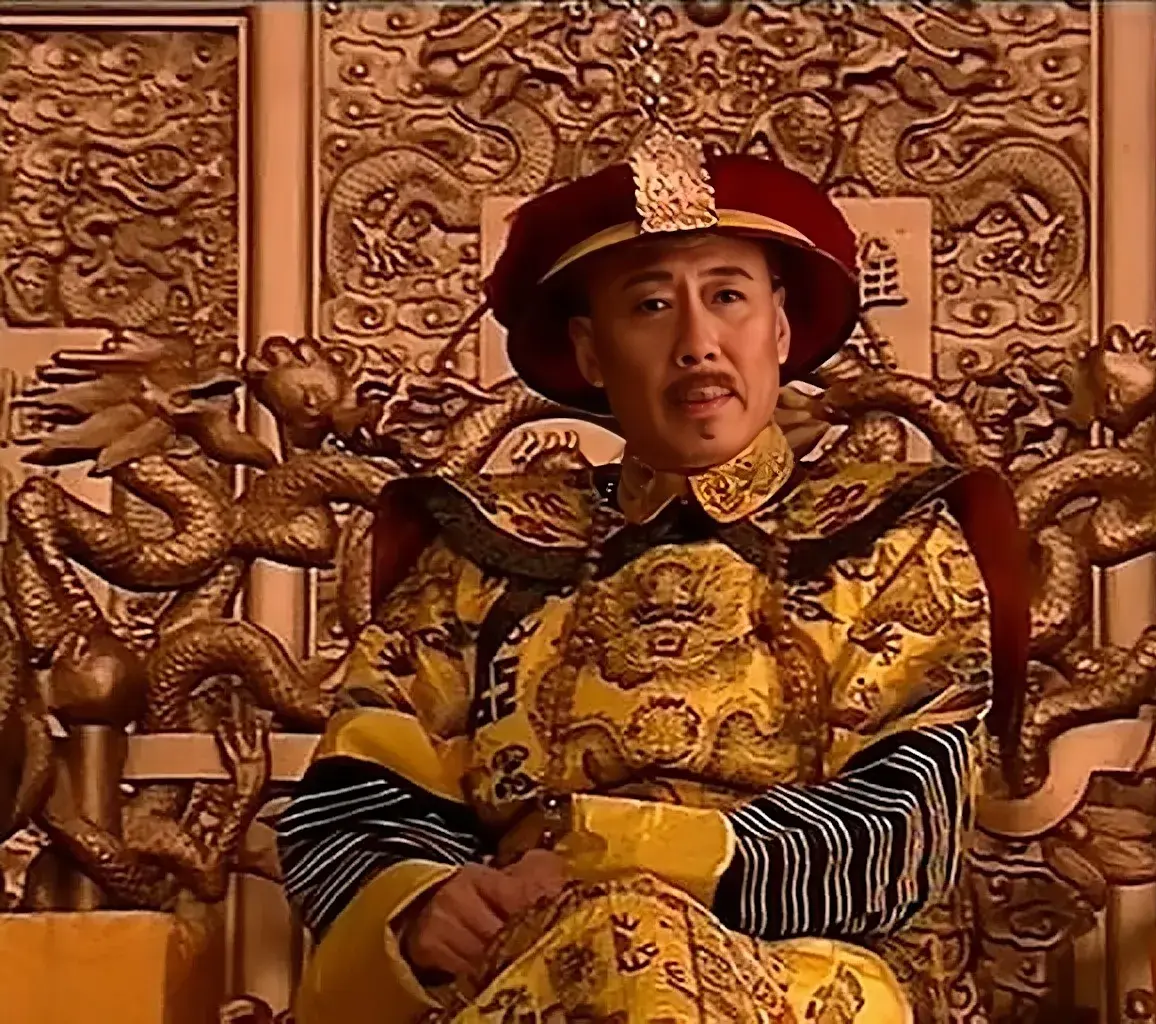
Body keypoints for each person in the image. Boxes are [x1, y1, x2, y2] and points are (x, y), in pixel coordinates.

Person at [278, 128, 1028, 1024]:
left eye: (728, 296)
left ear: (781, 328)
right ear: (591, 353)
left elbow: (906, 818)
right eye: (650, 305)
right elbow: (361, 792)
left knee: (632, 945)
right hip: (522, 960)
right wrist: (427, 906)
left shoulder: (894, 538)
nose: (698, 343)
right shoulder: (483, 548)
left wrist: (624, 853)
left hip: (807, 973)